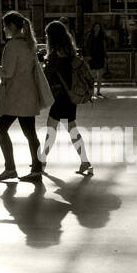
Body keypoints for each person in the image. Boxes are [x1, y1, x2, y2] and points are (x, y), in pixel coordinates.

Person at [0, 10, 45, 182]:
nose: (4, 30)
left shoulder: (11, 46)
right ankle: (37, 169)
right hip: (28, 95)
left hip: (14, 97)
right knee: (30, 133)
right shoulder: (29, 44)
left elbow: (8, 72)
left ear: (11, 26)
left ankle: (10, 168)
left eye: (5, 26)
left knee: (0, 129)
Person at [38, 20, 93, 175]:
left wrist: (42, 63)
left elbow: (46, 75)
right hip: (70, 96)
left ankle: (42, 162)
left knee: (52, 130)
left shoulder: (55, 56)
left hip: (60, 97)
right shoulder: (69, 52)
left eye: (47, 36)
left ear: (52, 37)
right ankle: (85, 162)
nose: (46, 39)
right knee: (71, 129)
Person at [86, 21, 107, 98]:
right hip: (92, 56)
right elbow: (87, 46)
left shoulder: (102, 36)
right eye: (96, 27)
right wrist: (88, 55)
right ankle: (92, 91)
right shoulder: (90, 35)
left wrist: (105, 56)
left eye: (98, 27)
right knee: (93, 75)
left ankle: (98, 91)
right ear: (93, 27)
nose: (97, 28)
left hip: (100, 56)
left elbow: (104, 46)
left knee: (100, 75)